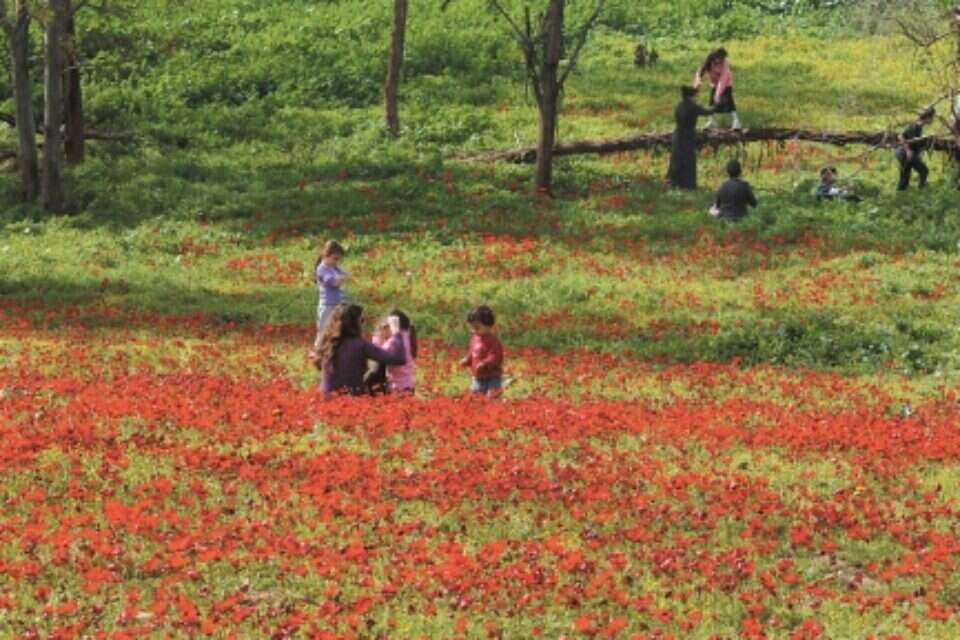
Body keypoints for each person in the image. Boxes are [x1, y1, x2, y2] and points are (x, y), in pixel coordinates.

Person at [314, 304, 407, 396]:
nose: (363, 324)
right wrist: (396, 333)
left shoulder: (327, 342)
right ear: (354, 323)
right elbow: (398, 359)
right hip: (351, 397)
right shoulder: (359, 344)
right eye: (362, 320)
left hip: (326, 396)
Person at [667, 86, 714, 190]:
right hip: (688, 136)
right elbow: (707, 112)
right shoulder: (693, 106)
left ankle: (674, 182)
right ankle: (688, 185)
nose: (696, 98)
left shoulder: (679, 106)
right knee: (688, 160)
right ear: (691, 96)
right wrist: (717, 105)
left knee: (676, 159)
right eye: (696, 96)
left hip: (677, 135)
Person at [367, 309, 417, 394]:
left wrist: (377, 338)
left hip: (397, 387)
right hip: (408, 384)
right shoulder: (408, 337)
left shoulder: (394, 341)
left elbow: (379, 355)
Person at [460, 305, 504, 399]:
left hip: (492, 376)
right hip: (478, 376)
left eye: (477, 327)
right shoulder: (474, 338)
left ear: (488, 326)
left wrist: (485, 363)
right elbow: (472, 353)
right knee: (475, 394)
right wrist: (467, 360)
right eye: (472, 328)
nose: (474, 330)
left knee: (491, 396)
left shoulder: (493, 341)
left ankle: (494, 394)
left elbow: (495, 356)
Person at [694, 47, 741, 130]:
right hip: (714, 84)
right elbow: (700, 72)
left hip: (726, 84)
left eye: (722, 58)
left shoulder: (725, 64)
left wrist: (718, 94)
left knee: (729, 103)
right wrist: (698, 81)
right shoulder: (708, 61)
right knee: (712, 103)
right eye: (720, 58)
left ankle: (736, 121)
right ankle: (711, 121)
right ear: (714, 56)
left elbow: (723, 80)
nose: (721, 60)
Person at [314, 240, 348, 348]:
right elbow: (333, 282)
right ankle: (317, 349)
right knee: (324, 329)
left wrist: (343, 277)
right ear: (325, 256)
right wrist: (342, 278)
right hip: (327, 305)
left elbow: (345, 274)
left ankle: (333, 348)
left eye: (339, 259)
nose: (336, 262)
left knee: (338, 328)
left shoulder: (334, 267)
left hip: (338, 303)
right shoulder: (322, 269)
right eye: (335, 258)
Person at [896, 107, 935, 191]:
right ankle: (920, 190)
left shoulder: (919, 126)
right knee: (923, 171)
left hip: (906, 153)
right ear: (927, 117)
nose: (933, 120)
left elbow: (914, 141)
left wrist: (919, 151)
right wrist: (908, 151)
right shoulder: (915, 126)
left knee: (905, 176)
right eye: (932, 118)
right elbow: (900, 136)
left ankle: (903, 192)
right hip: (904, 153)